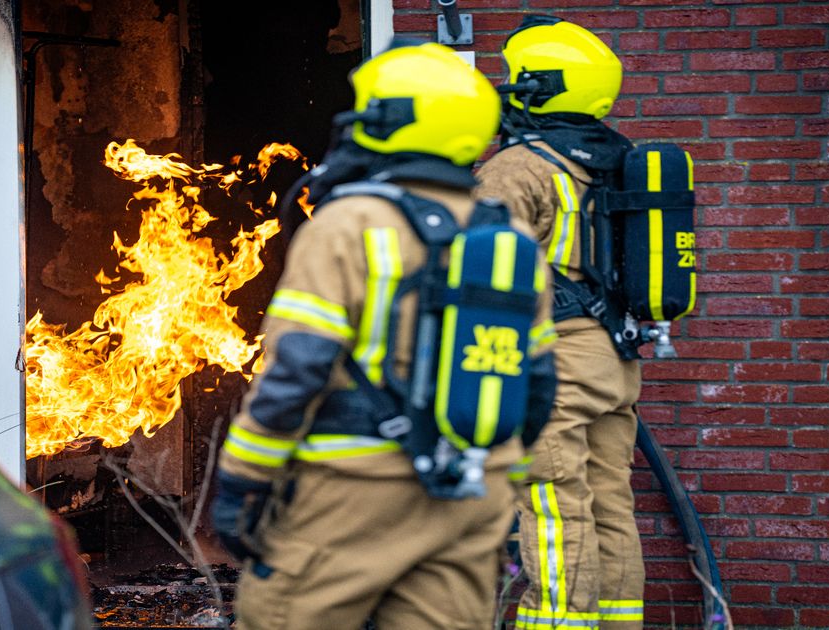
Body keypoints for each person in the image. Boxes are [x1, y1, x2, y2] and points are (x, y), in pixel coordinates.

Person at [211, 40, 558, 629]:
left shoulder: (349, 223)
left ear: (388, 123)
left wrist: (242, 480)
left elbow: (297, 370)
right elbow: (539, 387)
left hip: (355, 493)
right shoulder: (509, 238)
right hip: (473, 498)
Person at [475, 16, 646, 630]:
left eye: (516, 80)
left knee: (553, 509)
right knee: (610, 508)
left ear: (539, 86)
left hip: (557, 364)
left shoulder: (519, 168)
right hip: (617, 361)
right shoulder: (619, 159)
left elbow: (481, 272)